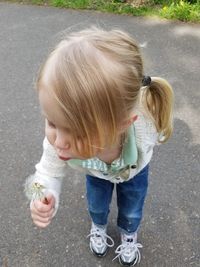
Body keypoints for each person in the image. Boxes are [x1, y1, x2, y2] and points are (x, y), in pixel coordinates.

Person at [25, 28, 173, 266]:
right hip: (95, 173)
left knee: (132, 208)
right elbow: (46, 171)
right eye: (51, 122)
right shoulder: (60, 138)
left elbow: (158, 136)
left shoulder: (145, 127)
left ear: (122, 125)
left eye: (79, 132)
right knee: (96, 205)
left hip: (134, 172)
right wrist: (43, 193)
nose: (59, 142)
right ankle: (99, 226)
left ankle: (128, 232)